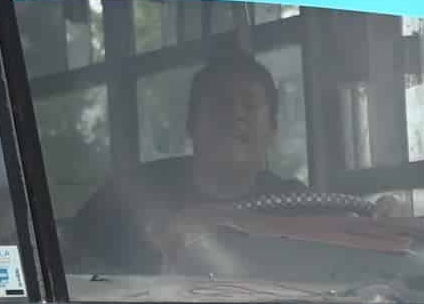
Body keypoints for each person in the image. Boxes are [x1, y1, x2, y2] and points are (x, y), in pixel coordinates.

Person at [64, 49, 286, 276]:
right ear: (191, 124)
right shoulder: (128, 198)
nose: (236, 113)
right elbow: (71, 271)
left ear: (272, 130)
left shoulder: (295, 209)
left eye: (250, 105)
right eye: (222, 102)